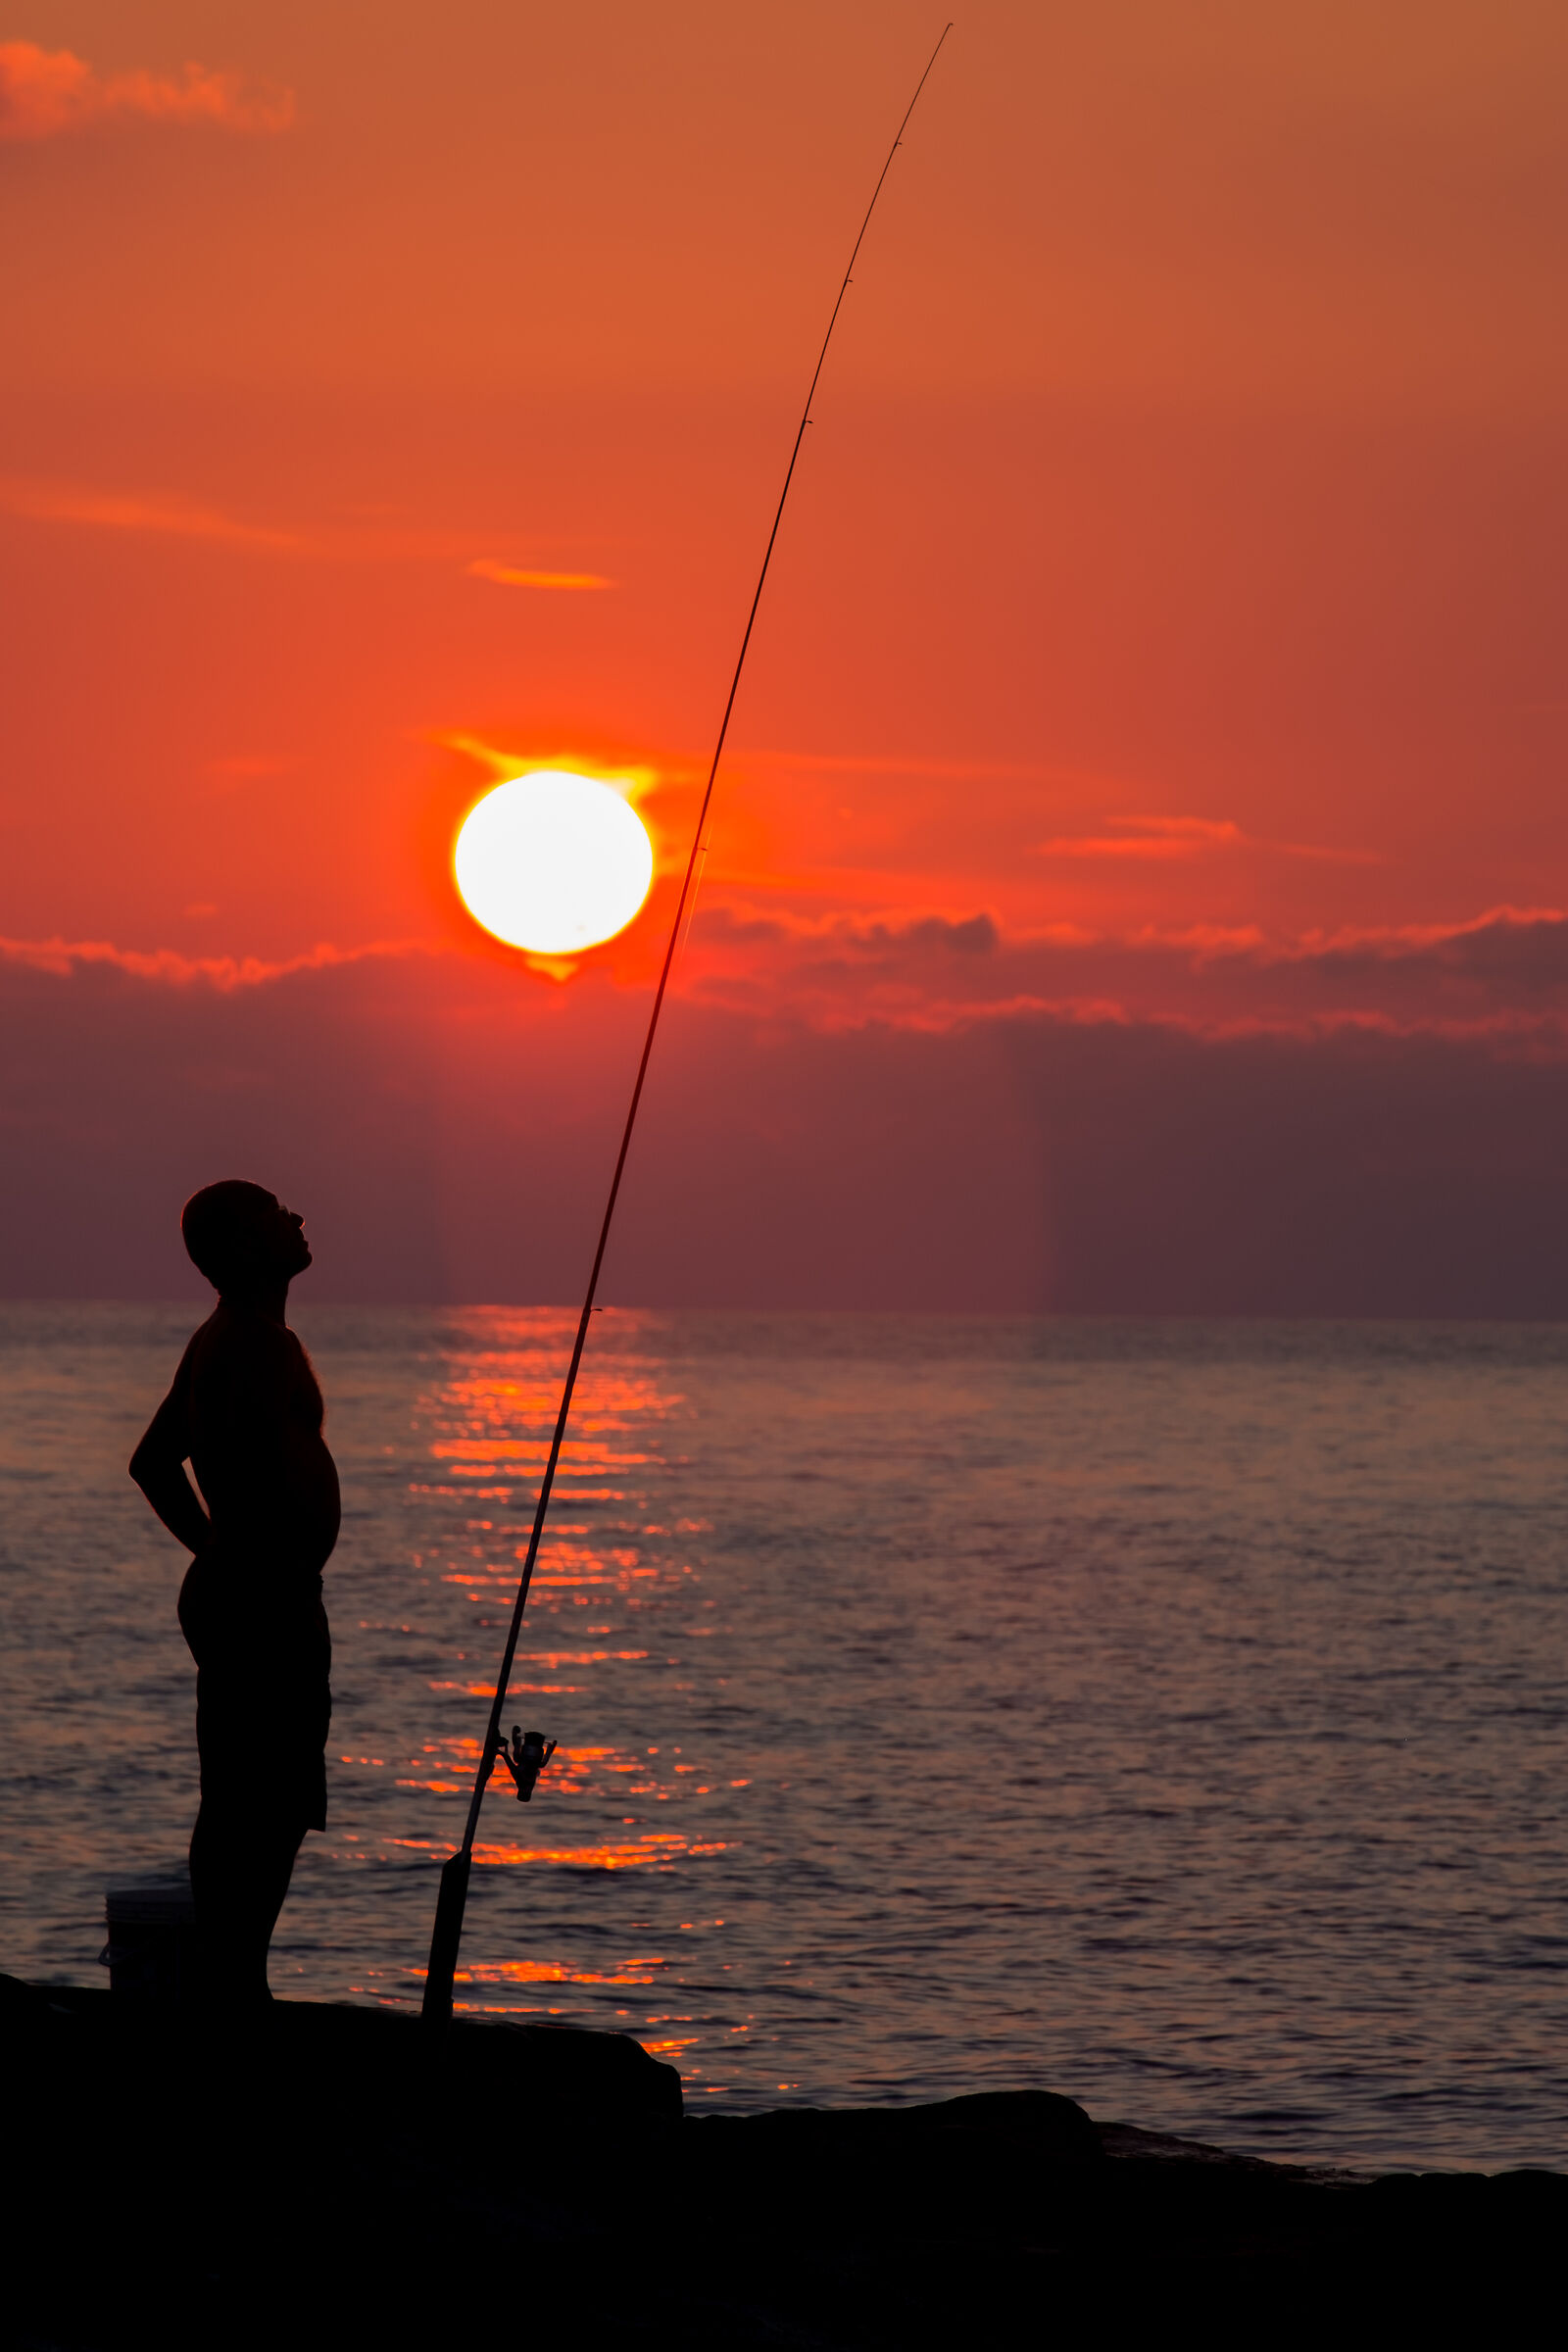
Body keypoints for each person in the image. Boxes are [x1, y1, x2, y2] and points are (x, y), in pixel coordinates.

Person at [129, 1181, 338, 2005]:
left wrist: (215, 1547)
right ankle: (236, 1985)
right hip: (261, 1596)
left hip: (247, 1585)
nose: (297, 1218)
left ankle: (233, 1978)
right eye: (275, 1214)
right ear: (246, 1247)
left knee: (252, 1793)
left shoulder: (227, 1338)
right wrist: (239, 1551)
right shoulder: (252, 1343)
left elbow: (154, 1462)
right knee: (263, 1798)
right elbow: (226, 1471)